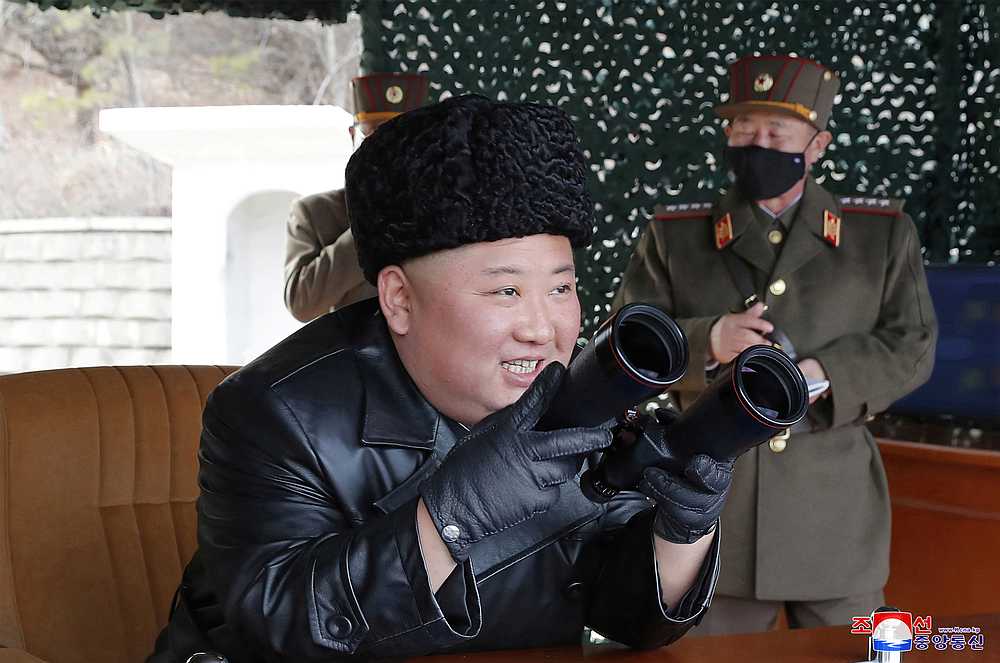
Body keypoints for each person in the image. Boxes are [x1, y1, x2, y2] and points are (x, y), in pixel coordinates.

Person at [149, 94, 732, 663]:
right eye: (506, 291)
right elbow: (281, 626)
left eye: (560, 288)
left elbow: (625, 615)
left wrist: (680, 532)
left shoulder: (578, 403)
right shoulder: (273, 412)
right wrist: (454, 514)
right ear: (399, 300)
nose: (542, 328)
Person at [613, 54, 937, 633]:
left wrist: (818, 373)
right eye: (743, 129)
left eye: (775, 132)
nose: (755, 144)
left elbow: (912, 344)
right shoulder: (675, 236)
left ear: (816, 146)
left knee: (856, 650)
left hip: (831, 512)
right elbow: (628, 341)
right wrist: (708, 339)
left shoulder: (881, 235)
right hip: (712, 509)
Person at [283, 72, 430, 322]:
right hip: (351, 357)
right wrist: (368, 224)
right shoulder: (315, 212)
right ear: (354, 136)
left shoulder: (442, 209)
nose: (387, 149)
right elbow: (301, 303)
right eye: (374, 135)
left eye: (401, 138)